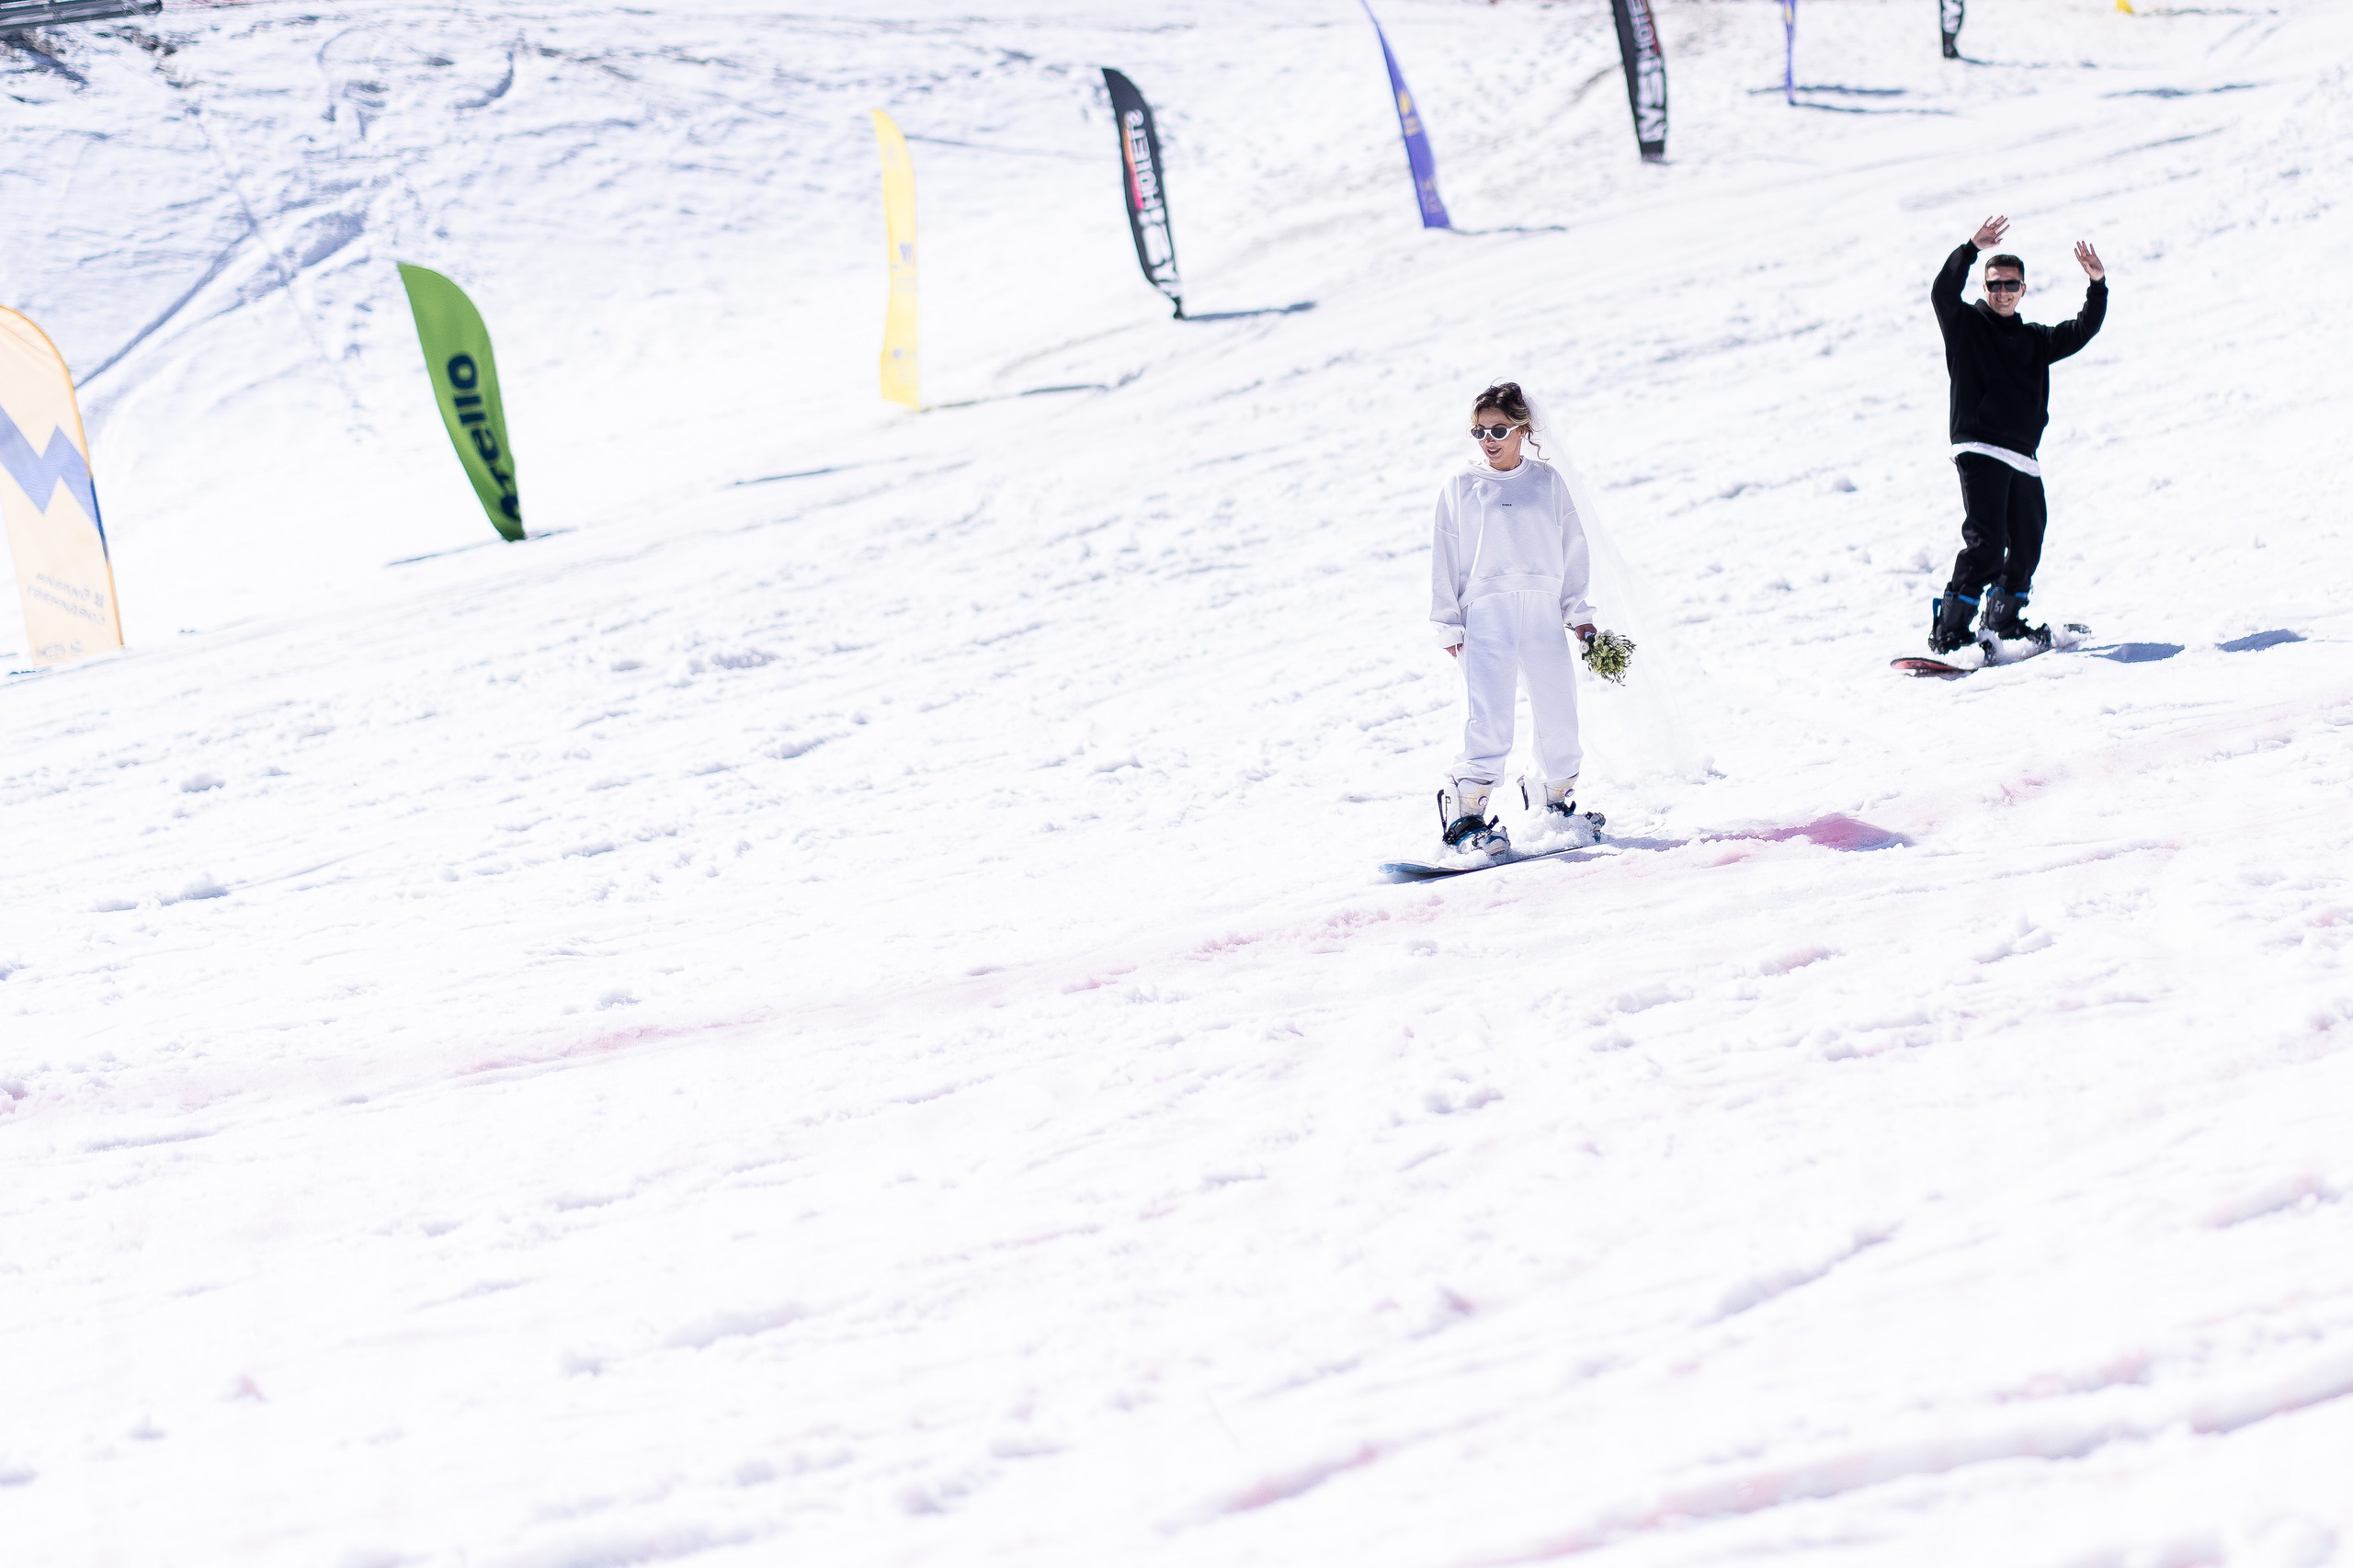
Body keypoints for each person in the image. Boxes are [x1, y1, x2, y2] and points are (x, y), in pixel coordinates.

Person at [1428, 381, 1598, 858]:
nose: (1489, 440)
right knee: (1490, 715)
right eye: (1479, 432)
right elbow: (1444, 552)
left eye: (1499, 430)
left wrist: (1579, 614)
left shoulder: (1547, 482)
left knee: (1558, 710)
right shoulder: (1462, 485)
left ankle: (1552, 804)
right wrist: (1447, 621)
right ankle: (1465, 815)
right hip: (1486, 612)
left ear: (1522, 429)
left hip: (1542, 607)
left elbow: (1572, 546)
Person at [1927, 216, 2107, 654]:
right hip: (1979, 446)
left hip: (2023, 456)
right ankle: (1950, 633)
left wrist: (2097, 285)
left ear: (2023, 289)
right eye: (1995, 285)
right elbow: (1942, 293)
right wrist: (1970, 249)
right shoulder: (1965, 325)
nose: (2003, 292)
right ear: (1984, 287)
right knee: (1987, 545)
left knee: (2026, 545)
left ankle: (2003, 622)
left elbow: (2083, 329)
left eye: (2011, 285)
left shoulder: (2035, 339)